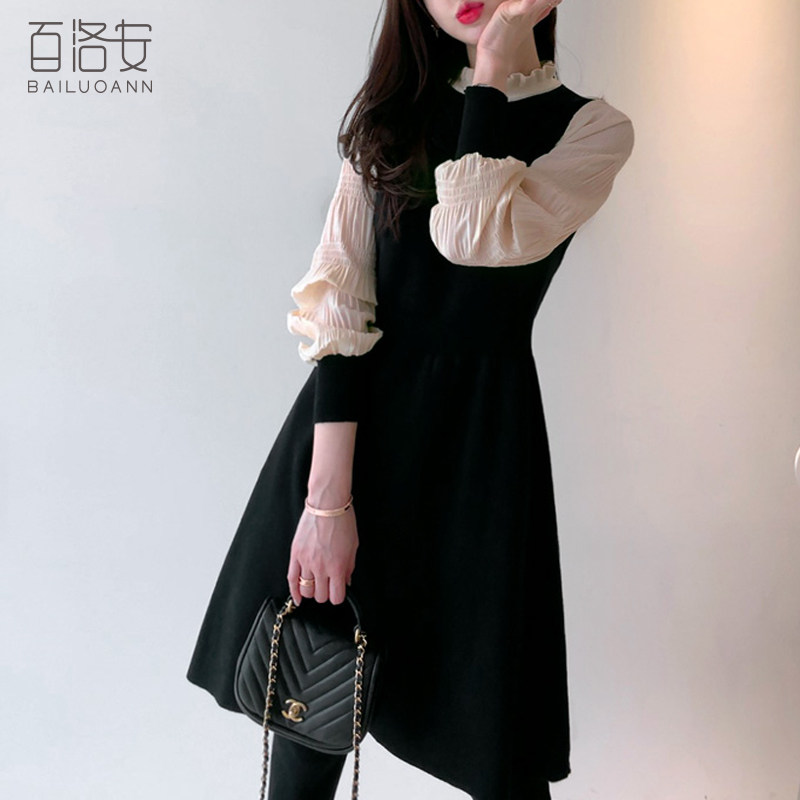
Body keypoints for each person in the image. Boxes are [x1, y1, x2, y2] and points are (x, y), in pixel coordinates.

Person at [186, 0, 635, 798]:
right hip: (353, 446)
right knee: (311, 715)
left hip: (480, 459)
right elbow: (340, 307)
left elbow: (472, 238)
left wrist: (490, 76)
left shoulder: (592, 130)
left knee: (497, 753)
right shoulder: (390, 117)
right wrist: (327, 506)